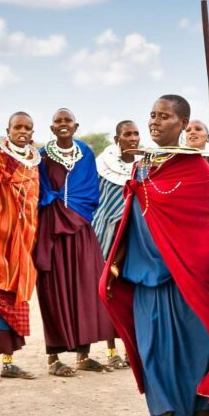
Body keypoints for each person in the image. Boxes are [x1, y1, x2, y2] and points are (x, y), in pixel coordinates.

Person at [102, 95, 209, 416]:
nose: (155, 122)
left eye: (164, 117)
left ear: (183, 123)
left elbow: (208, 230)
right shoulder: (141, 168)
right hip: (145, 280)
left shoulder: (199, 171)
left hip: (188, 281)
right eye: (152, 115)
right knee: (153, 361)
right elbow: (134, 216)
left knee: (203, 355)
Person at [35, 108, 115, 376]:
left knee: (86, 289)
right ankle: (54, 358)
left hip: (81, 228)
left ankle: (83, 356)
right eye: (57, 120)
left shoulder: (86, 153)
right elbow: (40, 190)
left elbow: (90, 190)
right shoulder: (42, 155)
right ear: (51, 126)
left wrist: (72, 212)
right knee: (53, 290)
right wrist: (57, 208)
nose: (62, 124)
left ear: (76, 125)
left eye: (67, 120)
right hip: (52, 230)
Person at [0, 112, 42, 380]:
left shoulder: (33, 159)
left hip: (22, 239)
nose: (23, 131)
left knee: (16, 296)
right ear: (8, 129)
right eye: (18, 127)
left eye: (28, 128)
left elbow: (32, 198)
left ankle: (8, 361)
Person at [91, 120, 140, 369]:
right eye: (127, 134)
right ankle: (111, 351)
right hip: (107, 238)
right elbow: (98, 202)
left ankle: (132, 350)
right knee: (108, 291)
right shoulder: (102, 166)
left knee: (132, 296)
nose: (133, 138)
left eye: (136, 134)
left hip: (135, 243)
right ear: (116, 139)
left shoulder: (145, 166)